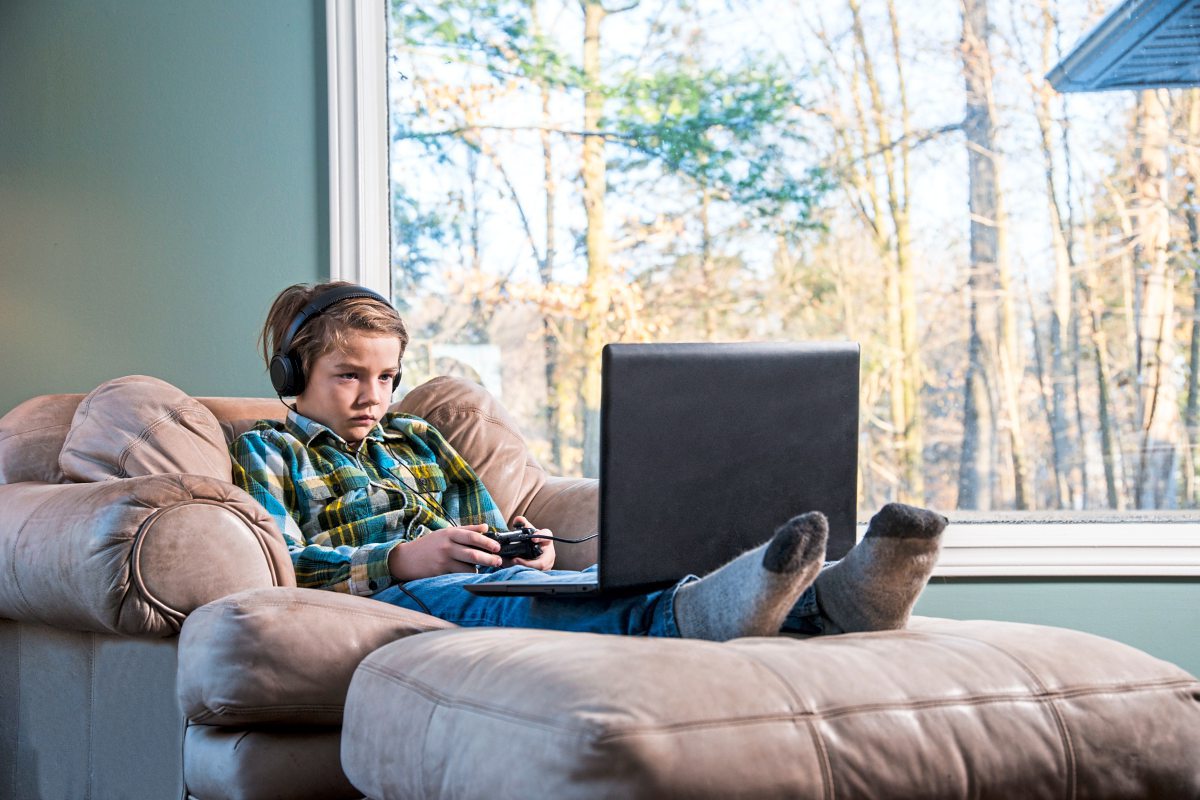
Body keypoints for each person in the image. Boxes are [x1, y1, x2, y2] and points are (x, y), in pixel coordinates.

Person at [231, 281, 948, 642]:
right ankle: (698, 617)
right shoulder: (269, 449)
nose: (373, 395)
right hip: (393, 597)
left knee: (575, 584)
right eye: (348, 376)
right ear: (293, 376)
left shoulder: (421, 438)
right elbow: (281, 566)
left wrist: (528, 546)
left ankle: (831, 599)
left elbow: (490, 526)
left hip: (488, 578)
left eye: (386, 378)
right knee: (519, 599)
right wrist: (400, 561)